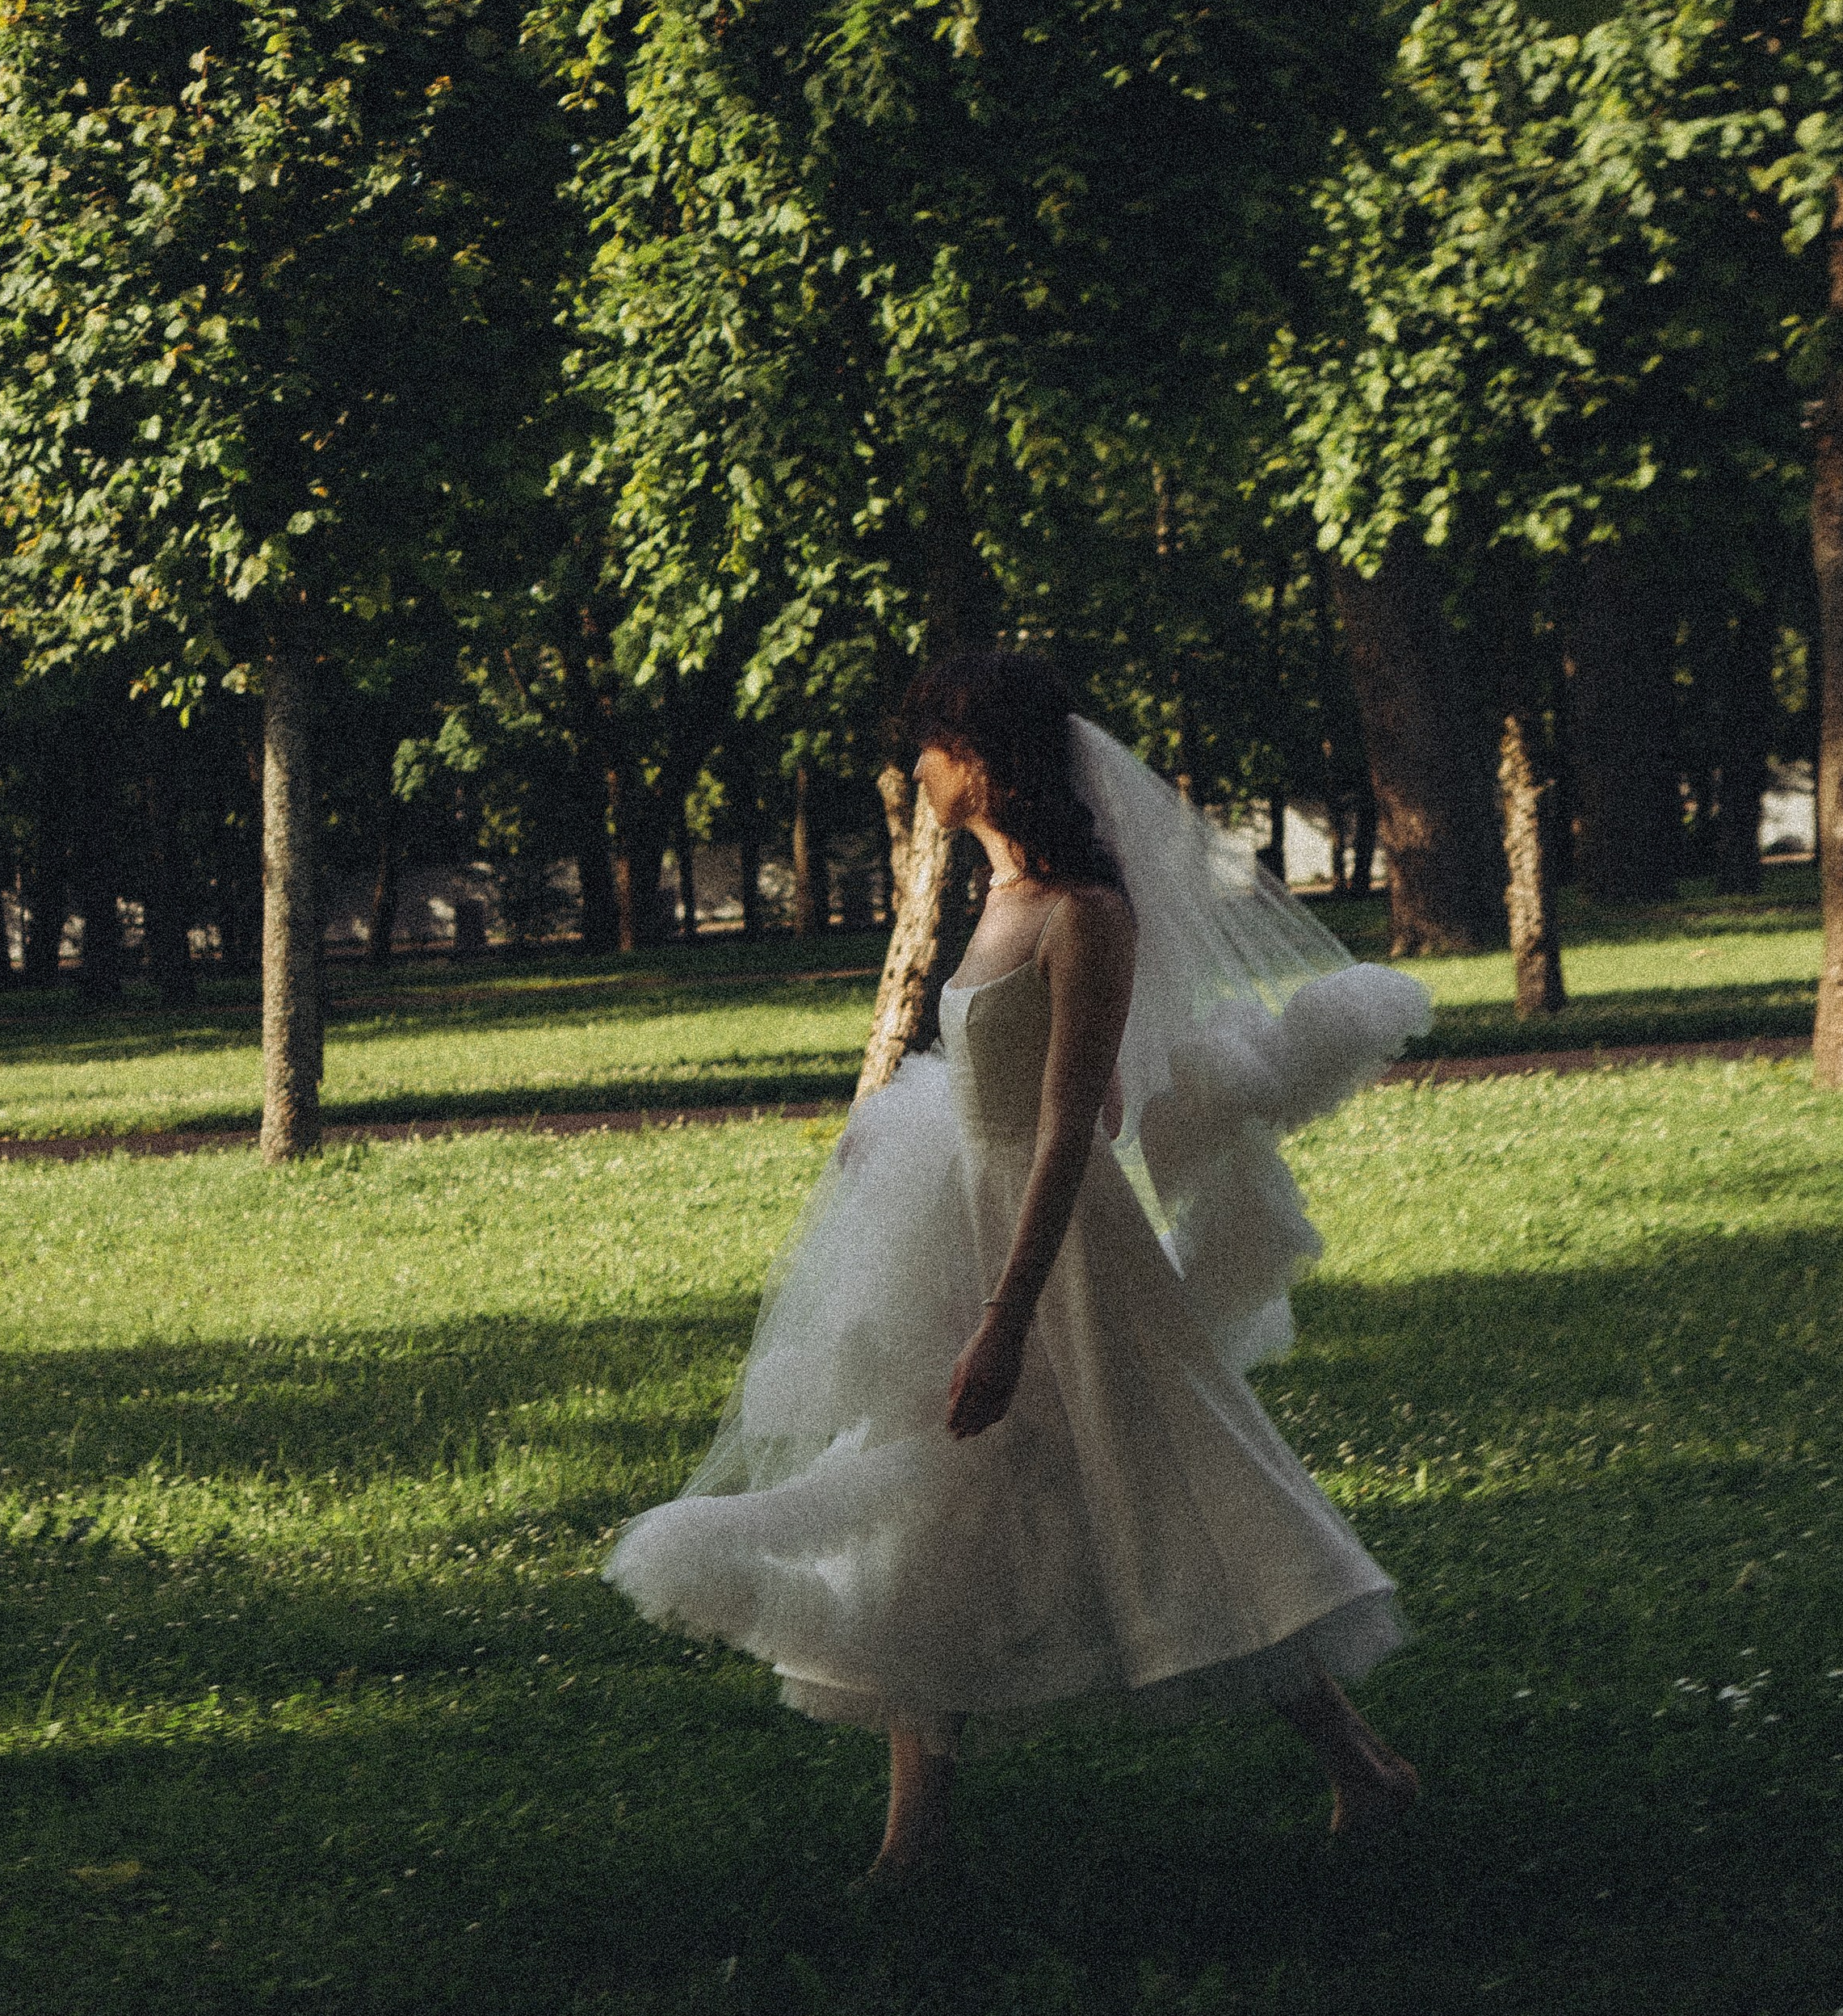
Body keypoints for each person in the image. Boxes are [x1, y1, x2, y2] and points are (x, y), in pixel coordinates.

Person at [607, 649, 1430, 1888]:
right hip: (964, 1217)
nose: (914, 768)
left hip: (1060, 1250)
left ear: (981, 760)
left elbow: (1071, 1128)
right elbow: (991, 1082)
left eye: (929, 746)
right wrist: (899, 1142)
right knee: (930, 1487)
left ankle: (1363, 1766)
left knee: (1168, 1484)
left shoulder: (1086, 916)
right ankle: (913, 1840)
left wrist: (1007, 1313)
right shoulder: (993, 899)